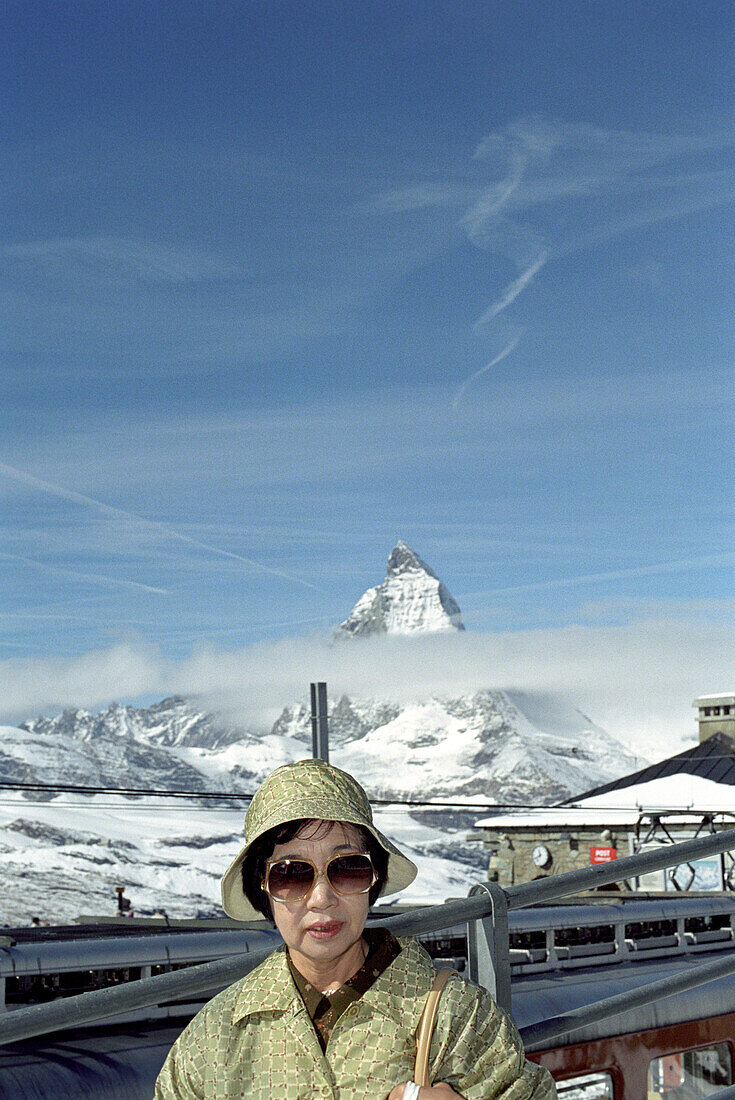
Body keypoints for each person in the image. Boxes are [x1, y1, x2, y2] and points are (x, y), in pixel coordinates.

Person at [154, 759, 555, 1099]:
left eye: (347, 868)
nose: (321, 898)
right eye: (292, 875)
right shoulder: (213, 1039)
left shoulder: (458, 1017)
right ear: (263, 888)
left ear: (373, 879)